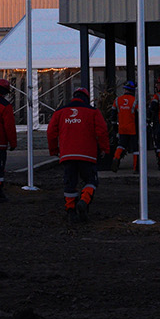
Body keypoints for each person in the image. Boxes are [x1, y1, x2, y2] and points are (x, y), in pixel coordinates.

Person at [47, 87, 111, 223]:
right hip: (87, 155)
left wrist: (54, 150)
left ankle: (71, 211)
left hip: (67, 155)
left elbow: (51, 132)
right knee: (91, 181)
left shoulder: (60, 112)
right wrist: (105, 148)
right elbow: (102, 131)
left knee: (70, 183)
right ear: (86, 98)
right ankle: (84, 201)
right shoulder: (93, 112)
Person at [111, 79, 139, 172]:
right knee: (135, 148)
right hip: (133, 128)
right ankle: (136, 167)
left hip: (122, 127)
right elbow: (140, 114)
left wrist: (114, 125)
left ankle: (116, 158)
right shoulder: (135, 101)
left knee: (121, 145)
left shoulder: (117, 100)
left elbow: (113, 114)